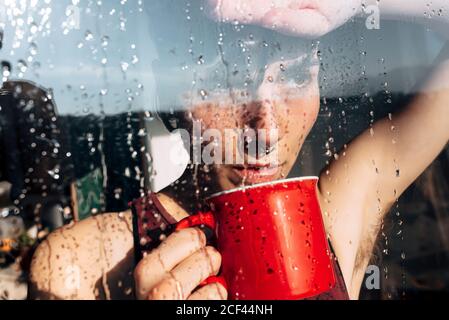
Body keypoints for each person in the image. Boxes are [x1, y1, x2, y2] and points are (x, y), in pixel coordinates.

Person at [29, 0, 449, 300]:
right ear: (164, 95)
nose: (265, 130)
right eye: (227, 79)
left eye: (297, 74)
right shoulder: (82, 266)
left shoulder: (338, 213)